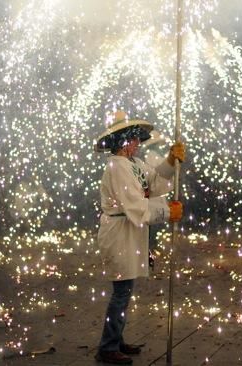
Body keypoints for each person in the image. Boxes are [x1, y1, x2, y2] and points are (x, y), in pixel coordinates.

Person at [94, 111, 185, 365]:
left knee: (125, 289)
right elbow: (134, 204)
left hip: (130, 233)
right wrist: (167, 213)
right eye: (133, 139)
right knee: (121, 292)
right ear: (122, 141)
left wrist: (170, 160)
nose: (137, 143)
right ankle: (108, 346)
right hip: (119, 233)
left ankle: (116, 340)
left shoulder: (133, 164)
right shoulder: (117, 166)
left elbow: (154, 182)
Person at [139, 130, 168, 269]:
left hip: (155, 194)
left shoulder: (151, 156)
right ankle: (148, 251)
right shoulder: (153, 157)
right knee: (151, 223)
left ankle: (150, 249)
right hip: (154, 195)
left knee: (153, 224)